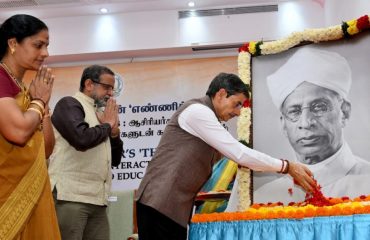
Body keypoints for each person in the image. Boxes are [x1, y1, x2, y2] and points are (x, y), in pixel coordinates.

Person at [135, 72, 316, 240]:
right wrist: (287, 166)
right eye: (237, 104)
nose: (238, 112)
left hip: (171, 207)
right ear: (221, 94)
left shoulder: (208, 117)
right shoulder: (198, 112)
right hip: (160, 203)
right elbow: (239, 153)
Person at [251, 47, 370, 204]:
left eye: (319, 107)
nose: (306, 123)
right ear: (283, 124)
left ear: (344, 112)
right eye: (294, 111)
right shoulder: (264, 197)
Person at [0, 14, 61, 239]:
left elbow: (45, 149)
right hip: (6, 197)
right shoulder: (0, 80)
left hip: (31, 193)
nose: (45, 53)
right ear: (13, 43)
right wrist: (38, 102)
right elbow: (18, 133)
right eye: (38, 45)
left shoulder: (26, 89)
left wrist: (40, 103)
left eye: (46, 46)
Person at [48, 65, 123, 240]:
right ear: (89, 84)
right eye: (107, 87)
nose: (110, 93)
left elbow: (115, 160)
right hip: (71, 198)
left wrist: (113, 133)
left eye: (112, 89)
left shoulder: (101, 115)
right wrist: (107, 126)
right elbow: (81, 139)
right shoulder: (69, 104)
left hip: (98, 201)